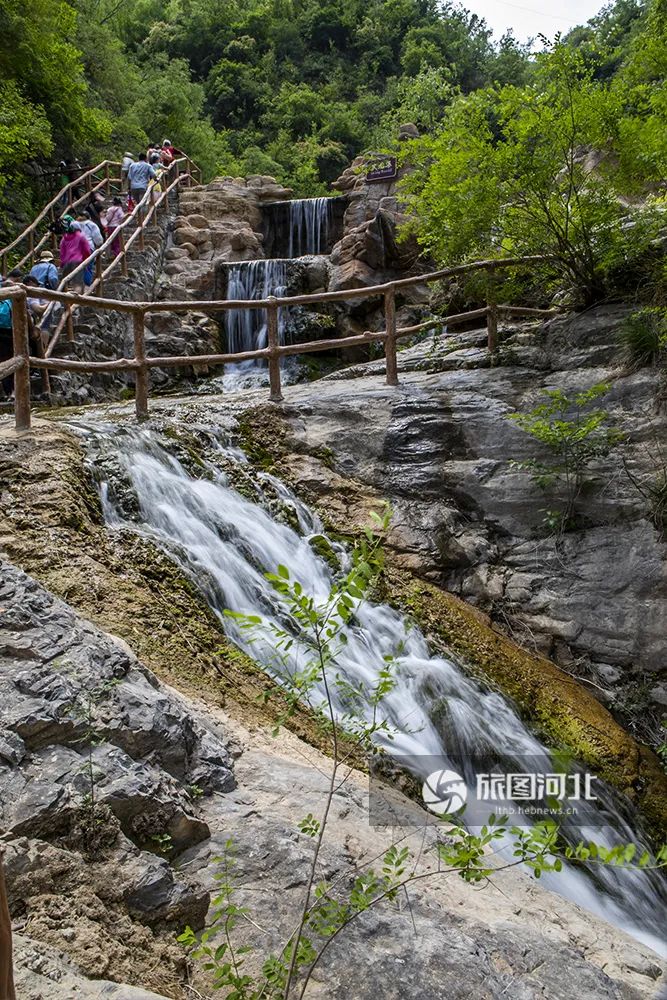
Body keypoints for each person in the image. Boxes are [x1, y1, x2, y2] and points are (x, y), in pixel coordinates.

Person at [59, 216, 91, 291]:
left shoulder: (64, 238)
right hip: (78, 261)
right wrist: (86, 260)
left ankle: (64, 299)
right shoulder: (81, 236)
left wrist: (62, 264)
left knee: (64, 282)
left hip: (67, 262)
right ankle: (78, 301)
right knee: (78, 282)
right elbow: (86, 250)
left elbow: (62, 252)